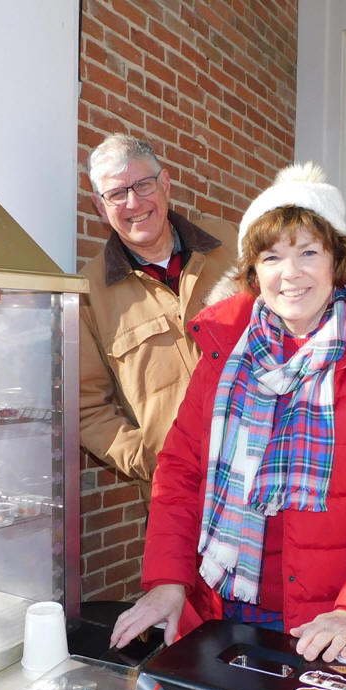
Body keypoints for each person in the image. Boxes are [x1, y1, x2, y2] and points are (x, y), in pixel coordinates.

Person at [110, 162, 346, 690]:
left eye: (308, 252)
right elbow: (180, 474)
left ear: (338, 260)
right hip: (223, 614)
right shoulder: (225, 355)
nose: (289, 273)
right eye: (271, 256)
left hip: (333, 630)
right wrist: (168, 581)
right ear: (253, 271)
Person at [79, 134, 238, 496]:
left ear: (165, 184)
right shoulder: (89, 293)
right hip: (180, 497)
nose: (133, 202)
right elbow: (86, 408)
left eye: (143, 185)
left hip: (268, 474)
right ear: (100, 207)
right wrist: (151, 459)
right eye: (116, 194)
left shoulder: (230, 244)